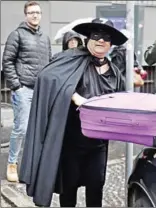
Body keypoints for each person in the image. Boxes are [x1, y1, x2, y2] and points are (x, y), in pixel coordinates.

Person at [19, 18, 128, 207]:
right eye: (96, 35)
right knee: (68, 191)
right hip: (71, 142)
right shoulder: (72, 59)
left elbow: (119, 101)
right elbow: (46, 77)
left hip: (98, 146)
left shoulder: (115, 73)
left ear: (111, 44)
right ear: (87, 39)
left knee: (96, 188)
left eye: (106, 37)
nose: (101, 41)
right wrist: (74, 96)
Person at [2, 1, 51, 183]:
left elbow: (49, 63)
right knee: (21, 128)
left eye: (37, 12)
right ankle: (12, 163)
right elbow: (7, 61)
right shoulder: (17, 35)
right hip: (23, 89)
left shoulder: (45, 38)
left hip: (41, 91)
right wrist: (17, 86)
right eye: (31, 12)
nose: (35, 15)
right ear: (26, 15)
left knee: (38, 130)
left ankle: (31, 166)